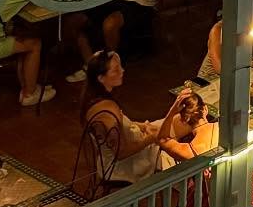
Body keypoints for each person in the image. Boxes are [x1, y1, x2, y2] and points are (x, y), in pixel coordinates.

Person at [79, 51, 190, 182]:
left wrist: (142, 126)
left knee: (184, 120)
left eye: (120, 66)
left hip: (136, 138)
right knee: (184, 125)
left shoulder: (98, 99)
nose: (122, 70)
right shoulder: (106, 111)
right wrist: (150, 138)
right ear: (101, 78)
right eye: (116, 70)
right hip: (126, 165)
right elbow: (121, 153)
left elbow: (123, 124)